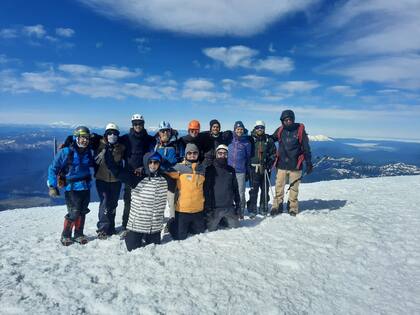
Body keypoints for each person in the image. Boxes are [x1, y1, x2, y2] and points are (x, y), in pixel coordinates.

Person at [105, 149, 168, 251]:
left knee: (154, 247)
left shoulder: (164, 178)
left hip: (154, 226)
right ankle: (130, 234)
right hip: (137, 224)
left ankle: (147, 236)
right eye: (150, 162)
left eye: (156, 162)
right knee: (132, 248)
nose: (153, 165)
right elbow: (117, 171)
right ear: (146, 163)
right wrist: (108, 153)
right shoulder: (137, 178)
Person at [47, 126, 94, 246]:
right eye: (82, 137)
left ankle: (78, 234)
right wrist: (52, 185)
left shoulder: (87, 151)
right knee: (74, 212)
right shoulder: (66, 152)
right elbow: (53, 168)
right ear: (76, 138)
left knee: (82, 211)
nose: (85, 140)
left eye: (87, 138)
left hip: (85, 186)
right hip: (72, 187)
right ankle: (65, 235)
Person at [270, 110, 313, 216]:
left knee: (294, 188)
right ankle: (277, 206)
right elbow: (271, 139)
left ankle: (292, 207)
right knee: (279, 187)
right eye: (286, 120)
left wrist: (308, 162)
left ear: (293, 120)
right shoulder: (280, 130)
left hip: (295, 165)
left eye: (290, 119)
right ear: (282, 121)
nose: (288, 121)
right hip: (281, 165)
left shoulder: (299, 130)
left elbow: (306, 147)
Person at [119, 114, 155, 235]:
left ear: (143, 124)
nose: (138, 126)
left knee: (143, 201)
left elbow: (160, 139)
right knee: (128, 201)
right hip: (129, 175)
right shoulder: (125, 138)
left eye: (140, 123)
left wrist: (172, 132)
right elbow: (108, 139)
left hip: (144, 174)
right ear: (132, 125)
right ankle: (126, 225)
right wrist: (70, 140)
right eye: (135, 124)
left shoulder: (148, 139)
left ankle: (142, 224)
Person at [166, 143, 206, 240]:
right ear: (185, 155)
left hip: (198, 209)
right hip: (182, 210)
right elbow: (165, 172)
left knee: (199, 232)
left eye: (194, 153)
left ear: (198, 154)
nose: (192, 155)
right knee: (180, 236)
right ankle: (171, 224)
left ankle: (190, 225)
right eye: (189, 153)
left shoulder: (202, 168)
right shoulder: (179, 167)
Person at [94, 123, 125, 239]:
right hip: (102, 179)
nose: (112, 135)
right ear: (106, 134)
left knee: (113, 203)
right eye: (109, 133)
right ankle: (102, 229)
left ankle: (110, 227)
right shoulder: (98, 144)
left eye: (115, 133)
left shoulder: (121, 147)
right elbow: (83, 139)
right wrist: (67, 142)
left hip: (116, 180)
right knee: (105, 203)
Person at [204, 145, 240, 231]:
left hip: (229, 207)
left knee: (235, 227)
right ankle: (219, 219)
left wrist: (238, 205)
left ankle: (223, 219)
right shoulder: (210, 169)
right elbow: (206, 189)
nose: (222, 156)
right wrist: (208, 208)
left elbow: (235, 188)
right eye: (220, 153)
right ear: (216, 155)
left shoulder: (231, 170)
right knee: (211, 229)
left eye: (225, 153)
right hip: (215, 208)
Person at [247, 120, 276, 217]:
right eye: (258, 127)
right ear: (255, 128)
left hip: (265, 168)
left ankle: (263, 207)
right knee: (253, 190)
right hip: (253, 168)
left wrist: (270, 163)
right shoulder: (250, 139)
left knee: (265, 189)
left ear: (264, 128)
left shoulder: (268, 140)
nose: (260, 129)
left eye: (262, 127)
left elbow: (273, 153)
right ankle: (252, 208)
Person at [153, 121, 179, 219]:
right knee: (159, 203)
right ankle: (158, 221)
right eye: (162, 131)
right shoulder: (155, 144)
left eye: (167, 131)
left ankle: (172, 222)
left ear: (170, 131)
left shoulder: (176, 144)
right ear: (159, 132)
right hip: (159, 177)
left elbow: (181, 159)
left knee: (172, 202)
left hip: (172, 178)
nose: (165, 133)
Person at [227, 121, 251, 219]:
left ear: (243, 130)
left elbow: (248, 157)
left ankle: (240, 212)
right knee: (229, 191)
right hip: (229, 170)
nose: (239, 131)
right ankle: (230, 211)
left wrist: (247, 172)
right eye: (237, 129)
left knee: (241, 192)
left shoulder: (246, 142)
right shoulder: (229, 140)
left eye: (241, 129)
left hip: (241, 171)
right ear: (234, 130)